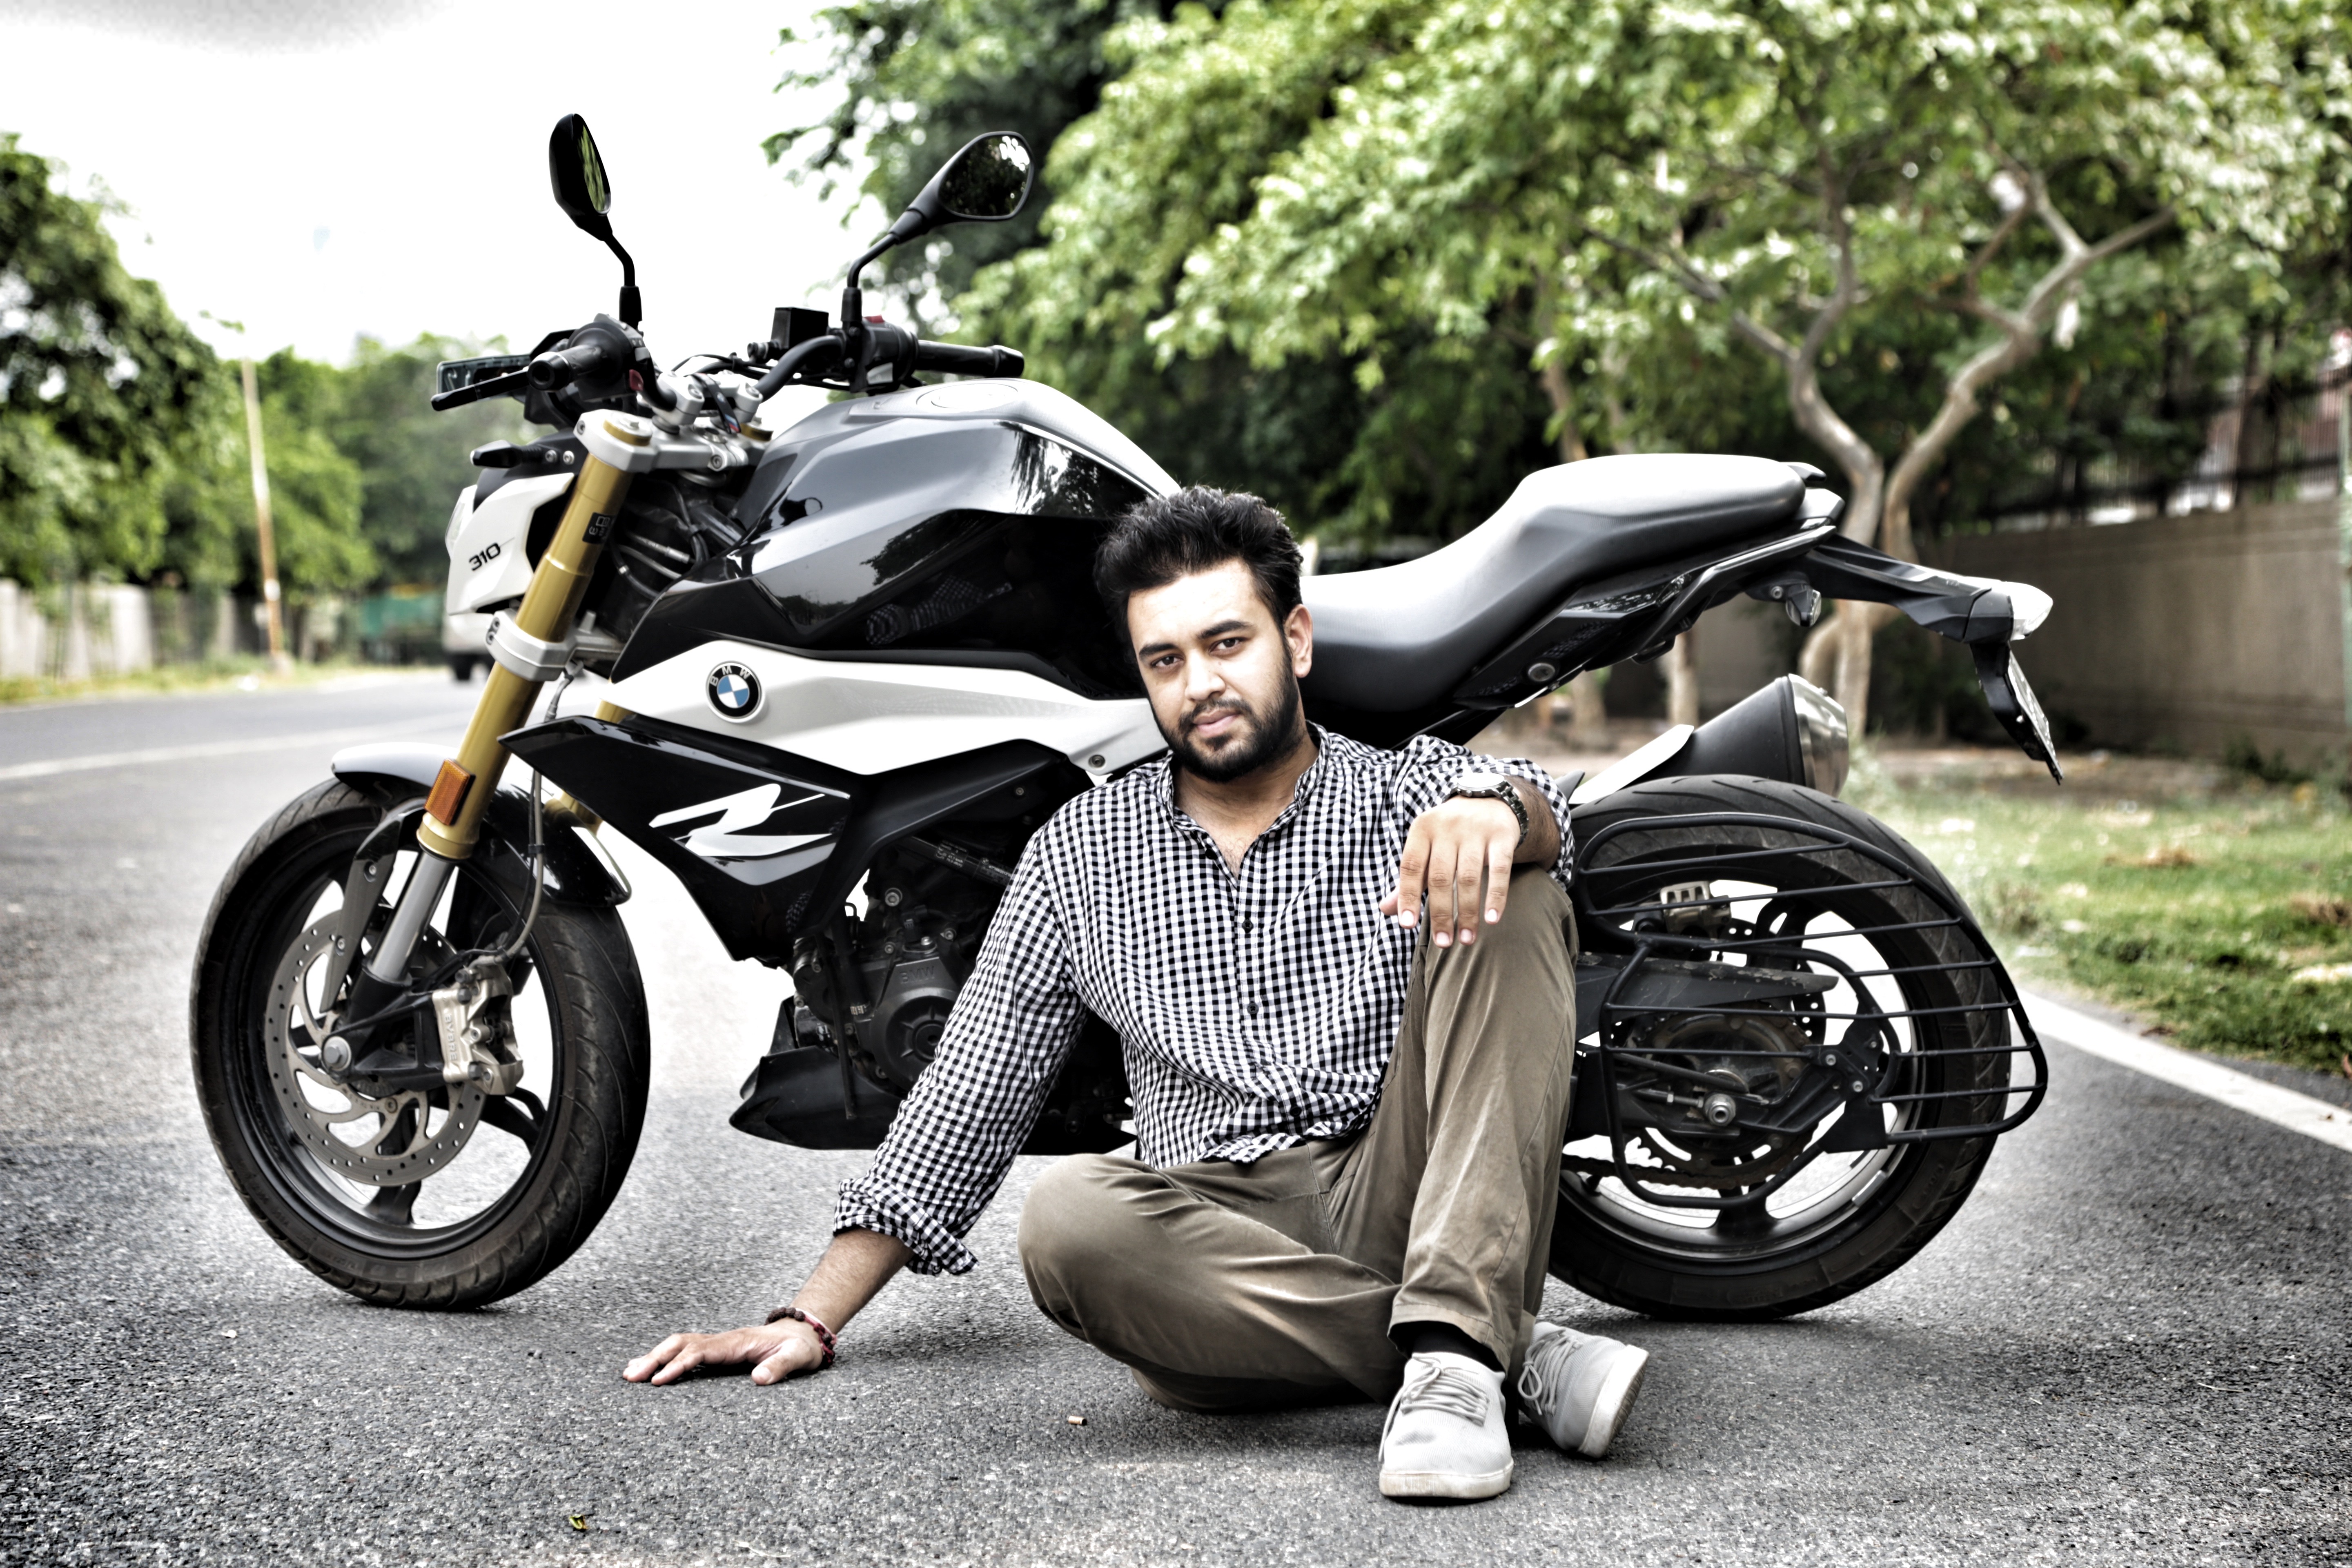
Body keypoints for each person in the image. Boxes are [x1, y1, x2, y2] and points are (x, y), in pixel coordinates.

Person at [624, 487, 1650, 1500]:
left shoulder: (1396, 790)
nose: (1201, 684)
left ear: (1294, 642)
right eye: (1167, 661)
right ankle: (1490, 1352)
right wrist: (810, 1316)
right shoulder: (1081, 853)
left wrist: (1498, 808)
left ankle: (1457, 1355)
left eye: (1228, 644)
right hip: (1202, 1254)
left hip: (1408, 1183)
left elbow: (1549, 811)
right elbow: (967, 1096)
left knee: (1512, 884)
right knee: (1067, 1220)